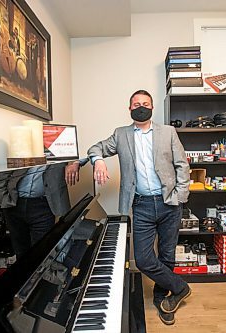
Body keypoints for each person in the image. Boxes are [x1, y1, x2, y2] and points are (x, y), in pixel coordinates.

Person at [87, 89, 191, 325]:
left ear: (152, 107)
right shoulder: (121, 134)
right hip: (141, 205)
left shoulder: (168, 132)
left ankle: (163, 299)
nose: (141, 107)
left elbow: (182, 166)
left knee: (167, 254)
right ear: (130, 108)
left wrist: (180, 196)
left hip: (168, 203)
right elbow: (95, 148)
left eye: (145, 103)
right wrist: (99, 161)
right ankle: (180, 287)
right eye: (136, 104)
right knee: (143, 259)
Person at [0, 161, 85, 258]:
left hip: (43, 205)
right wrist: (1, 197)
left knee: (41, 253)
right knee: (20, 253)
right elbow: (5, 169)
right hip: (14, 202)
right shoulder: (21, 146)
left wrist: (76, 163)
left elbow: (87, 149)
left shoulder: (57, 146)